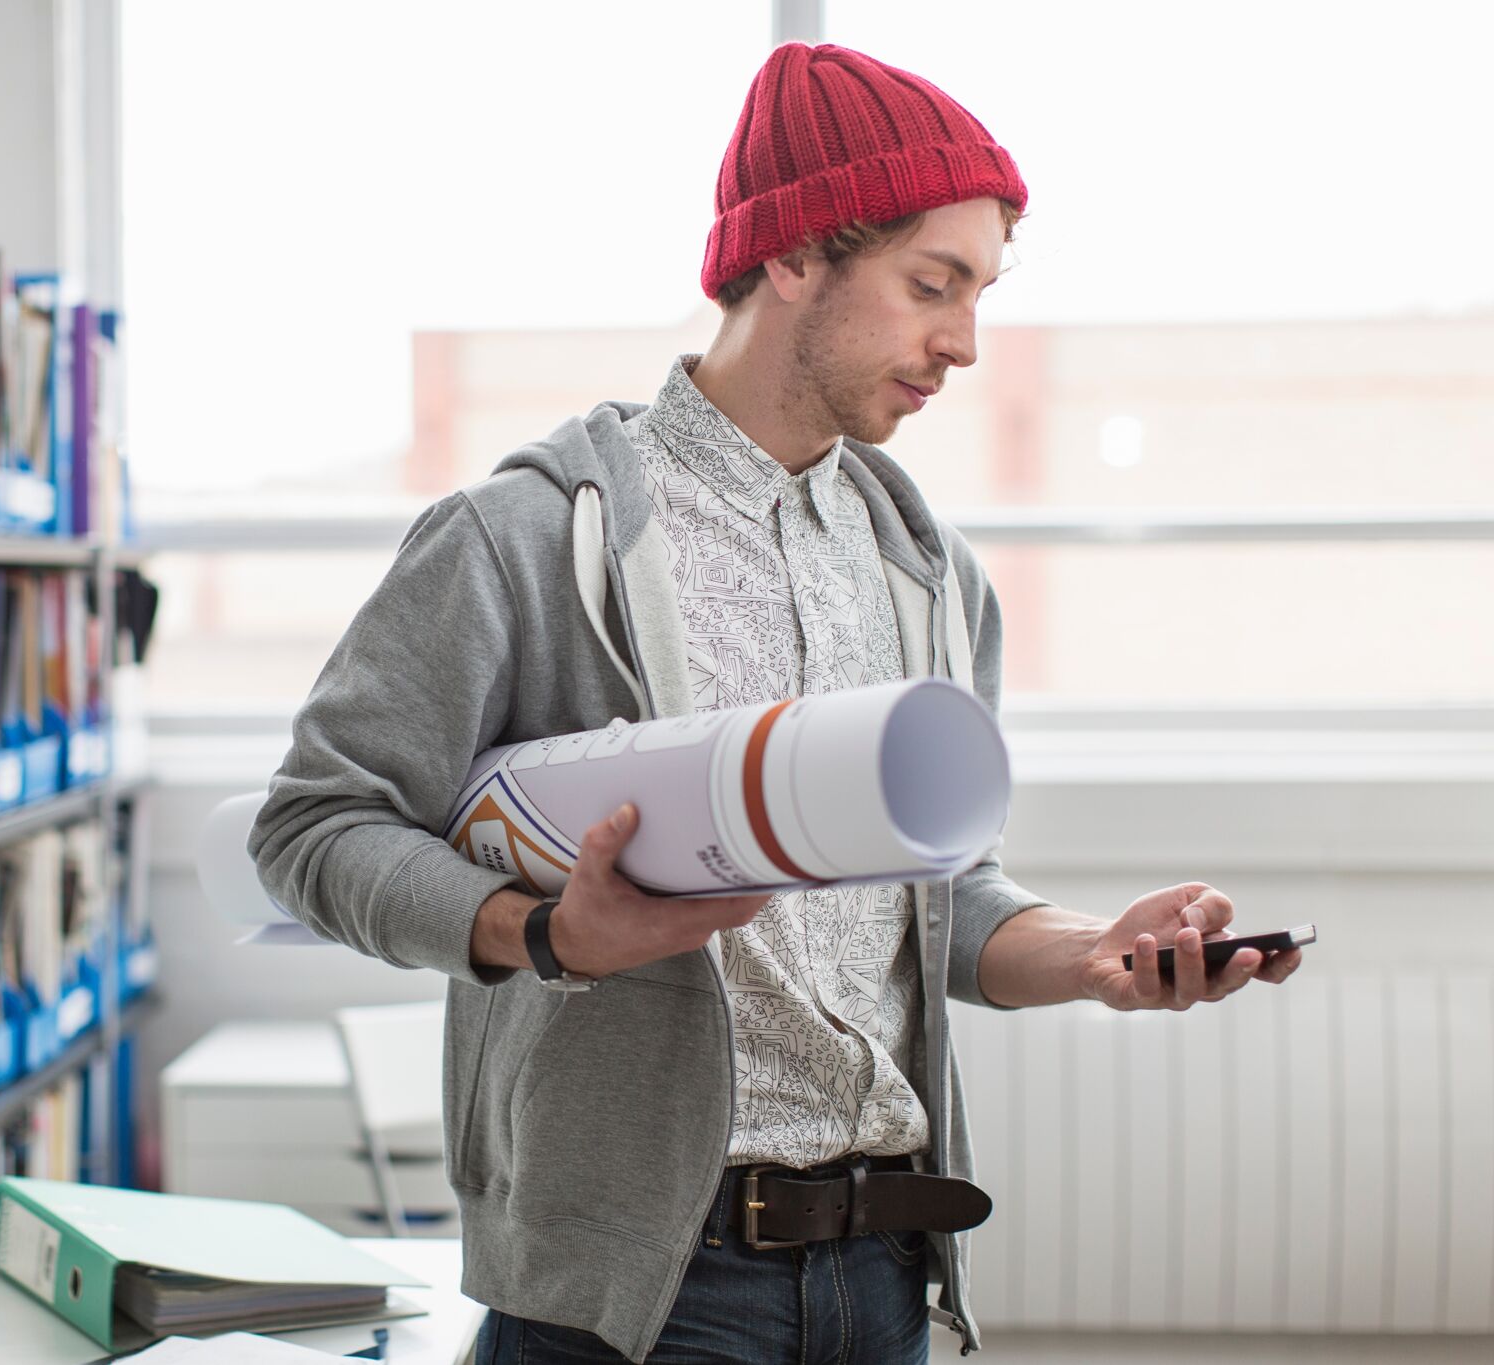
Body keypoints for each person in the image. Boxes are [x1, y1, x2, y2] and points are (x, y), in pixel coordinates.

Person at [250, 42, 1303, 1364]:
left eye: (977, 295)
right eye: (935, 285)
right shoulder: (518, 538)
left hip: (879, 1275)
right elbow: (311, 828)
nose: (965, 344)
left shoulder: (929, 574)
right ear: (797, 253)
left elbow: (941, 896)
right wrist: (542, 929)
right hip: (640, 1291)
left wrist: (1094, 950)